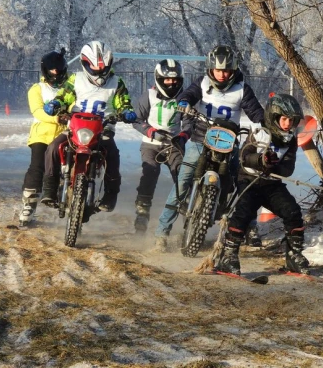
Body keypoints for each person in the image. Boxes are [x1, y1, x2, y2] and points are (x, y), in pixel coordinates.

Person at [154, 45, 264, 251]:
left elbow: (256, 111)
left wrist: (264, 123)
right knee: (183, 180)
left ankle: (251, 226)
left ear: (233, 70)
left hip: (229, 142)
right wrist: (184, 102)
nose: (222, 75)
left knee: (242, 182)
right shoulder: (202, 83)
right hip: (200, 139)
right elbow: (187, 95)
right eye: (218, 70)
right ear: (210, 69)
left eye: (226, 71)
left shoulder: (242, 89)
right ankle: (162, 233)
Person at [215, 93, 309, 275]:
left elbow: (288, 168)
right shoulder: (259, 132)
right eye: (284, 119)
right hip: (249, 180)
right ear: (273, 117)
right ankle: (228, 256)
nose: (288, 124)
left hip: (272, 184)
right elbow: (244, 157)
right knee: (243, 213)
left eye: (292, 120)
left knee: (293, 212)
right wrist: (261, 160)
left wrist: (275, 167)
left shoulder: (290, 139)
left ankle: (294, 256)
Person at [40, 41, 137, 216]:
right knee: (53, 148)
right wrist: (55, 103)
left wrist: (127, 112)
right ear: (85, 64)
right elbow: (65, 95)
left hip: (103, 129)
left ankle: (110, 194)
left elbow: (123, 103)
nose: (99, 74)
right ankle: (50, 189)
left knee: (113, 155)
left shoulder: (117, 82)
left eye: (102, 69)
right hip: (75, 127)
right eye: (95, 69)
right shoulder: (75, 79)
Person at [132, 59, 188, 233]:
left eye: (175, 80)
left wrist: (183, 136)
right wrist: (150, 131)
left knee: (182, 174)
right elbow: (136, 119)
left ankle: (187, 211)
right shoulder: (148, 95)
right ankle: (142, 211)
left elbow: (189, 122)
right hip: (151, 144)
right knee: (150, 172)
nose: (171, 84)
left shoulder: (184, 98)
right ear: (159, 78)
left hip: (174, 144)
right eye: (167, 80)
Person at [19, 48, 69, 226]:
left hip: (65, 134)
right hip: (42, 135)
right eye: (53, 71)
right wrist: (56, 118)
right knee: (37, 167)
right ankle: (29, 204)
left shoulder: (70, 88)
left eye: (59, 70)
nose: (56, 75)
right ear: (46, 71)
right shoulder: (37, 89)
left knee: (67, 168)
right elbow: (38, 111)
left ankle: (71, 199)